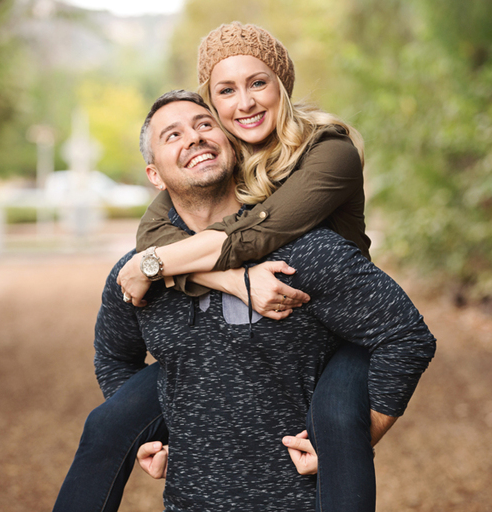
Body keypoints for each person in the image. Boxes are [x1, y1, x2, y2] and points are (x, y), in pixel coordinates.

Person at [53, 22, 383, 512]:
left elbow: (255, 236)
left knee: (337, 425)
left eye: (258, 83)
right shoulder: (231, 157)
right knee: (105, 424)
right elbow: (154, 235)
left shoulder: (328, 151)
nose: (244, 102)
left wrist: (156, 266)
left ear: (282, 87)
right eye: (226, 91)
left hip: (340, 328)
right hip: (239, 329)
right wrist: (233, 281)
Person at [97, 90, 435, 511]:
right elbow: (113, 356)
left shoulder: (307, 252)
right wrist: (149, 435)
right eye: (173, 135)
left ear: (232, 147)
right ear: (155, 175)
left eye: (205, 125)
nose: (194, 137)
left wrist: (353, 441)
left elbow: (406, 336)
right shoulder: (140, 273)